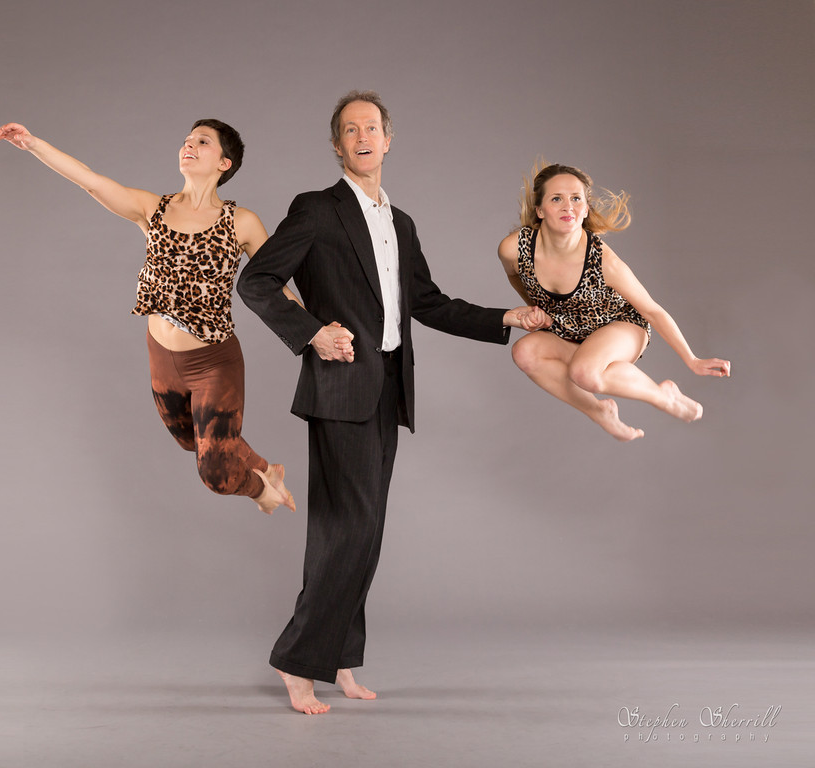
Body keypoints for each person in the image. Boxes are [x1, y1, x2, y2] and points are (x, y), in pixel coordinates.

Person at [236, 91, 549, 714]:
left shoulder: (400, 222)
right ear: (337, 145)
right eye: (350, 130)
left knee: (365, 532)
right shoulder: (317, 209)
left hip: (387, 391)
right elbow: (257, 280)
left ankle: (340, 658)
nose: (362, 137)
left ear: (388, 139)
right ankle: (297, 661)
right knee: (345, 529)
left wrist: (506, 317)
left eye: (372, 128)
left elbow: (428, 303)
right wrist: (312, 333)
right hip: (339, 387)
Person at [0, 119, 297, 514]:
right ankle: (267, 468)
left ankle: (263, 491)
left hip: (213, 363)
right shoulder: (153, 208)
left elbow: (276, 286)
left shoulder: (243, 223)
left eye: (202, 142)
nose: (189, 146)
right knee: (190, 441)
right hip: (162, 357)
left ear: (224, 163)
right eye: (187, 140)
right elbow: (91, 181)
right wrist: (33, 144)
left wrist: (317, 333)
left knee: (216, 471)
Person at [497, 163, 731, 441]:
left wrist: (692, 360)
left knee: (585, 373)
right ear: (540, 210)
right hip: (571, 330)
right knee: (524, 352)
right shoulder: (514, 249)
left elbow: (652, 310)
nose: (568, 206)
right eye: (556, 198)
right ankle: (599, 411)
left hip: (622, 325)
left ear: (586, 209)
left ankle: (662, 395)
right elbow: (515, 276)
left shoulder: (603, 260)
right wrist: (537, 309)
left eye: (576, 199)